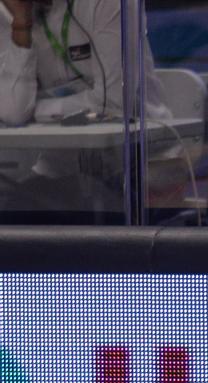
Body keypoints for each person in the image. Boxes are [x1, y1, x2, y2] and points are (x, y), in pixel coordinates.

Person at [0, 0, 173, 222]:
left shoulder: (109, 4)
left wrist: (39, 109)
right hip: (65, 163)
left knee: (83, 220)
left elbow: (113, 103)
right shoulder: (14, 12)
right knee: (14, 216)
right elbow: (13, 113)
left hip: (136, 160)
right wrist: (21, 26)